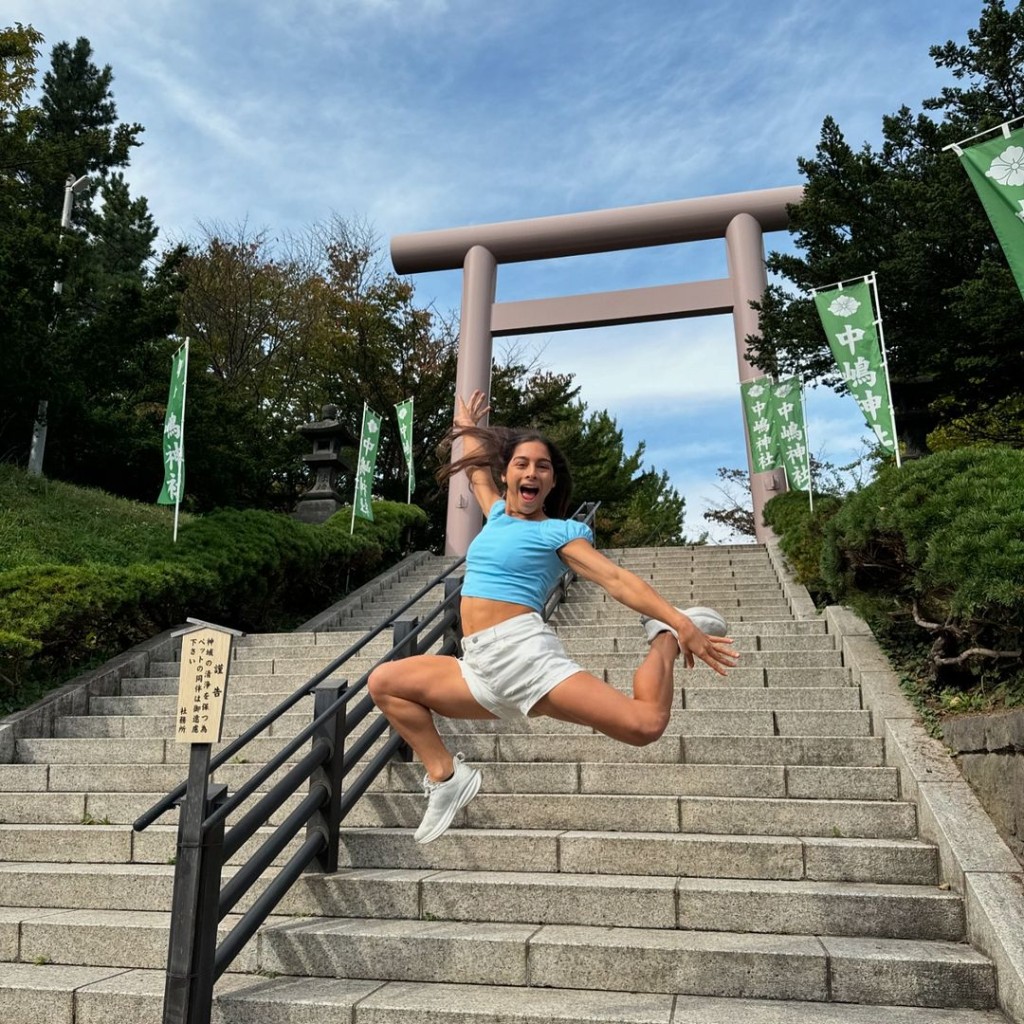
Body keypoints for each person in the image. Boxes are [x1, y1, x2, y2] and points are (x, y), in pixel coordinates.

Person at [368, 389, 739, 844]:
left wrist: (680, 624)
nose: (531, 472)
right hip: (478, 666)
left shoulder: (558, 533)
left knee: (645, 725)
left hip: (526, 658)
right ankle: (447, 777)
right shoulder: (498, 513)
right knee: (386, 683)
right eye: (521, 463)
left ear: (551, 481)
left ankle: (662, 636)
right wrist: (465, 427)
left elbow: (616, 580)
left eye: (542, 466)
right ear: (507, 474)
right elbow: (476, 473)